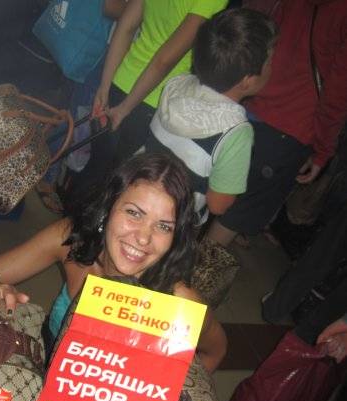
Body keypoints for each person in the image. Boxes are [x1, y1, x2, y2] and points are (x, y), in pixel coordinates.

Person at [0, 153, 227, 373]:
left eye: (164, 226)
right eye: (134, 213)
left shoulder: (180, 303)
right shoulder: (72, 241)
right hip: (44, 373)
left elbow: (214, 352)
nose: (144, 238)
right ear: (109, 207)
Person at [213, 0, 347, 246]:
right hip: (289, 127)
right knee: (234, 218)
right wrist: (323, 149)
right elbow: (337, 92)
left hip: (245, 101)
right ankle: (190, 269)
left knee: (207, 194)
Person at [68, 0, 228, 197]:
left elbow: (126, 26)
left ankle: (70, 213)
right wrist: (126, 107)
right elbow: (164, 60)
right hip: (152, 99)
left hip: (121, 80)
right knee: (117, 185)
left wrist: (105, 86)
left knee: (97, 168)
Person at [145, 7, 276, 232]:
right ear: (247, 80)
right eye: (269, 62)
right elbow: (218, 205)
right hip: (170, 227)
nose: (272, 68)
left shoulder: (177, 84)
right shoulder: (236, 132)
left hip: (133, 193)